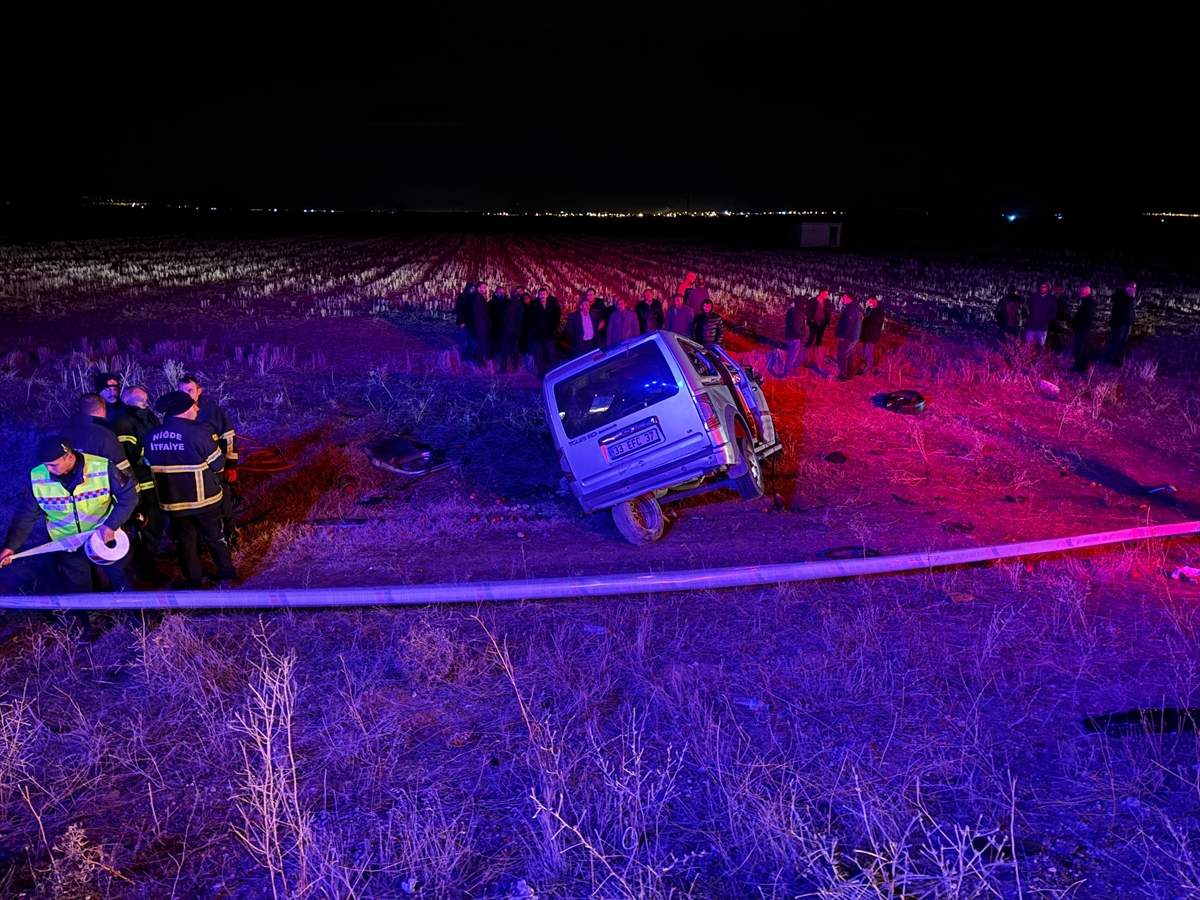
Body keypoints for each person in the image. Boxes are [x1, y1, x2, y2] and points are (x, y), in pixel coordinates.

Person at [1, 435, 138, 640]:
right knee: (78, 586)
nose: (49, 470)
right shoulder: (37, 476)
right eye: (46, 465)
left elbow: (129, 495)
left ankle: (136, 621)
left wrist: (111, 524)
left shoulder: (101, 467)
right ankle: (88, 626)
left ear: (69, 456)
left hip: (103, 538)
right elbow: (25, 516)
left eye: (53, 465)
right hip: (67, 544)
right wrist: (11, 546)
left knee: (121, 577)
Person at [144, 391, 236, 589]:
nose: (197, 408)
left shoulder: (151, 436)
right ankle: (226, 575)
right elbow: (218, 464)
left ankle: (193, 579)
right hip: (204, 501)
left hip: (173, 502)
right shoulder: (199, 432)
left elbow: (146, 461)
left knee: (184, 542)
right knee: (216, 538)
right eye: (192, 406)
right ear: (182, 411)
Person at [178, 375, 238, 549]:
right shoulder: (176, 411)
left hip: (215, 469)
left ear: (199, 391)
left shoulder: (212, 411)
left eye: (190, 391)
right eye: (183, 392)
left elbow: (228, 438)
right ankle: (202, 541)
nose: (187, 395)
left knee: (224, 503)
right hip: (192, 471)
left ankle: (230, 536)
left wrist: (231, 466)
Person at [116, 385, 166, 581]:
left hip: (155, 479)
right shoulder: (122, 421)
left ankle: (150, 560)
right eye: (141, 400)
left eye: (146, 399)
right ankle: (145, 569)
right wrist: (151, 455)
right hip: (141, 483)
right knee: (146, 527)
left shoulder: (148, 415)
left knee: (156, 524)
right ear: (127, 401)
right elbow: (129, 450)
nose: (146, 403)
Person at [60, 394, 132, 476]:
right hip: (101, 485)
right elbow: (121, 467)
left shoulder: (64, 432)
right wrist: (133, 487)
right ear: (100, 410)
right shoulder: (104, 434)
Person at [1101, 281, 1137, 367]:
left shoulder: (1129, 298)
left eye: (1134, 289)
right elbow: (1121, 309)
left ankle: (1115, 359)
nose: (1133, 291)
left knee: (1123, 343)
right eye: (1131, 288)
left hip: (1126, 324)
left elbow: (1130, 309)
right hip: (1119, 324)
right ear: (1127, 288)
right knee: (1116, 342)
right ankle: (1107, 359)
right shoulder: (1121, 296)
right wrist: (1130, 298)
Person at [530, 286, 561, 380]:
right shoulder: (534, 305)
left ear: (547, 294)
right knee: (539, 355)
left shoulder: (552, 304)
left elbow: (556, 317)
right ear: (538, 295)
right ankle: (542, 373)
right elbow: (530, 319)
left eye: (544, 294)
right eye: (540, 294)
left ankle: (554, 373)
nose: (542, 296)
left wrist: (553, 329)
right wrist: (534, 330)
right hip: (538, 335)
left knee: (551, 354)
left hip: (549, 334)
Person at [834, 293, 863, 381]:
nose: (842, 299)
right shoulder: (855, 308)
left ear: (849, 298)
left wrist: (844, 336)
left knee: (842, 356)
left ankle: (843, 376)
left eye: (844, 297)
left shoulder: (850, 309)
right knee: (849, 355)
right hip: (853, 336)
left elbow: (849, 324)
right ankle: (849, 374)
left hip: (848, 337)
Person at [498, 286, 526, 372]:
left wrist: (501, 327)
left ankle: (504, 366)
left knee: (505, 348)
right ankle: (515, 366)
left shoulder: (509, 305)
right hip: (517, 330)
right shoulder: (521, 305)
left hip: (508, 330)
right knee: (515, 348)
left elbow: (506, 318)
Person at [1071, 285, 1097, 373]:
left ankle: (1080, 367)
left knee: (1080, 348)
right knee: (1079, 348)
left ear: (1086, 292)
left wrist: (1078, 326)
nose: (1079, 293)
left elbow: (1086, 318)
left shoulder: (1088, 303)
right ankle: (1079, 366)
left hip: (1082, 329)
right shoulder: (1087, 302)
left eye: (1081, 291)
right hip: (1082, 329)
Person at [805, 289, 832, 368]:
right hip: (813, 322)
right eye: (826, 294)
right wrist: (810, 319)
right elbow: (808, 311)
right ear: (821, 293)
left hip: (822, 322)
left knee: (819, 338)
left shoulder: (826, 302)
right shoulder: (812, 301)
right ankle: (806, 351)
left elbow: (828, 311)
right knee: (811, 337)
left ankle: (817, 353)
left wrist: (827, 320)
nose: (827, 295)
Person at [1025, 282, 1056, 347]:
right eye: (1041, 287)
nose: (1042, 289)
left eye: (1044, 287)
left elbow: (1054, 311)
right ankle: (1028, 356)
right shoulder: (1033, 297)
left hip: (1042, 325)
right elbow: (1027, 307)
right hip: (1032, 324)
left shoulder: (1051, 298)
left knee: (1041, 345)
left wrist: (1046, 319)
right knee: (1028, 345)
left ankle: (1040, 357)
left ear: (1047, 287)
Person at [783, 295, 807, 376]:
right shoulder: (799, 313)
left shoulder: (791, 310)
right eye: (804, 303)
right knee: (793, 356)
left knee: (791, 355)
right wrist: (802, 333)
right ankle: (787, 373)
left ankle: (790, 372)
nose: (805, 305)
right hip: (795, 338)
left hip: (789, 336)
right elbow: (796, 328)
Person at [454, 282, 477, 361]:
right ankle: (463, 359)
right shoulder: (462, 297)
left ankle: (468, 358)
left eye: (474, 288)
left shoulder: (474, 297)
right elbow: (459, 309)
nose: (472, 290)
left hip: (472, 323)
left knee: (471, 342)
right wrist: (461, 321)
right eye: (471, 288)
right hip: (465, 323)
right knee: (465, 342)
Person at [470, 282, 491, 362]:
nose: (486, 289)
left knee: (483, 342)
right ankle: (479, 360)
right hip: (481, 324)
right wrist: (489, 319)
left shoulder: (479, 298)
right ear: (479, 288)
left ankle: (478, 359)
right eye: (484, 287)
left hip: (481, 323)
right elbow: (483, 312)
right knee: (483, 342)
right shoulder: (479, 298)